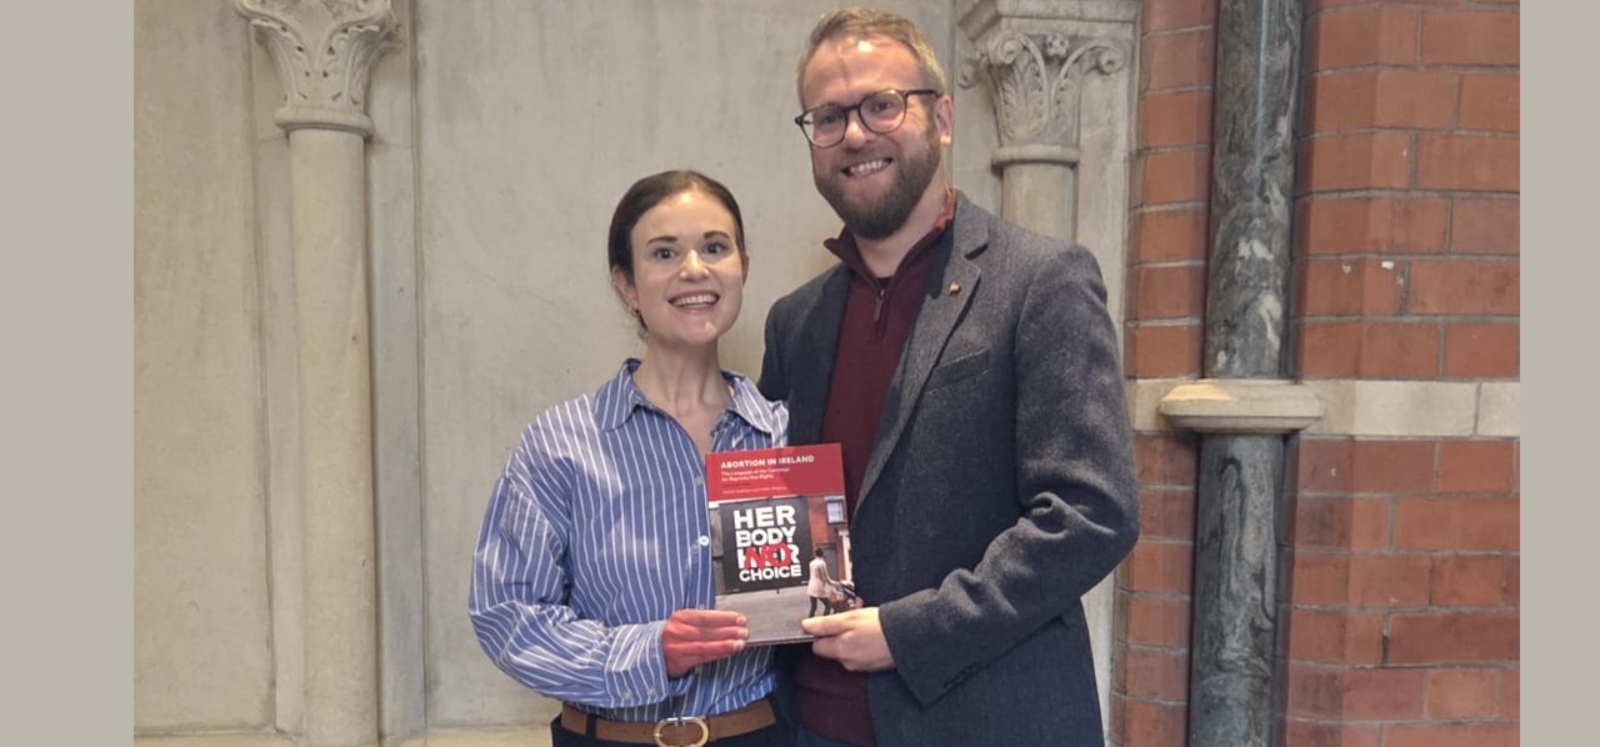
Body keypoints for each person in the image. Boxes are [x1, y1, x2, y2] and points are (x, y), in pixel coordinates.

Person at [757, 8, 1140, 747]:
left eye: (881, 104)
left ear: (942, 117)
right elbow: (782, 516)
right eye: (829, 117)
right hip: (813, 724)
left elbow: (1092, 513)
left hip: (986, 717)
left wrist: (909, 631)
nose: (856, 134)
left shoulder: (1040, 281)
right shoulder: (794, 323)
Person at [470, 170, 795, 747]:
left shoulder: (785, 439)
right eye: (664, 252)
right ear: (625, 283)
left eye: (715, 247)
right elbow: (507, 614)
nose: (694, 269)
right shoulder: (560, 443)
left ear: (743, 264)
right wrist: (647, 653)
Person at [806, 550, 833, 617]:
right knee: (828, 605)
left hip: (811, 586)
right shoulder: (822, 563)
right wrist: (832, 583)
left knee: (814, 606)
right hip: (819, 587)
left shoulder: (811, 563)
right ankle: (824, 620)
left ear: (815, 554)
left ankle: (809, 620)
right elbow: (825, 577)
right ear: (822, 554)